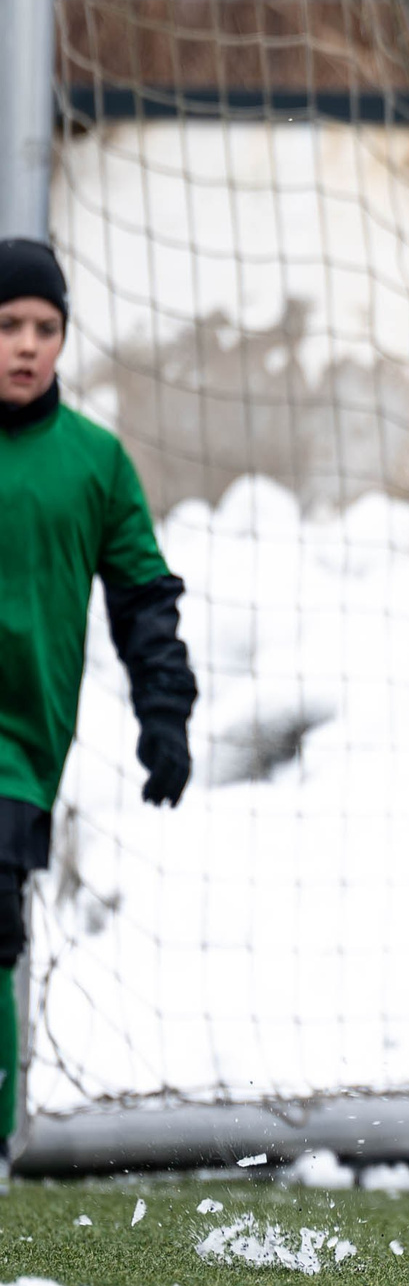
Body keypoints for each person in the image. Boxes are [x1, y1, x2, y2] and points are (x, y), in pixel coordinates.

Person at [0, 237, 196, 1166]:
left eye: (45, 328)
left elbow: (145, 599)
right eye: (9, 325)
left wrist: (166, 714)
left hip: (19, 746)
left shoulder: (95, 463)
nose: (26, 344)